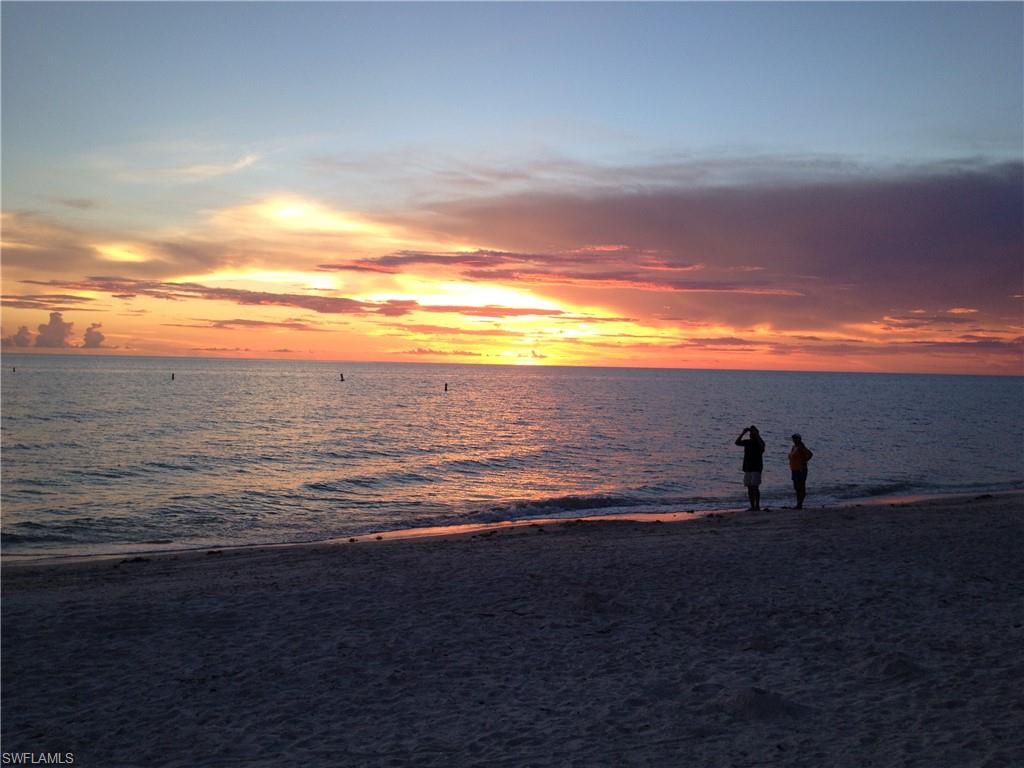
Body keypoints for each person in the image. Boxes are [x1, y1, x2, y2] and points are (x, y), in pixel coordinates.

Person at [735, 426, 765, 511]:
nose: (751, 434)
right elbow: (737, 442)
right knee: (749, 487)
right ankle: (752, 506)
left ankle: (757, 506)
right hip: (748, 467)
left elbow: (762, 447)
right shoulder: (747, 442)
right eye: (751, 433)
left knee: (755, 487)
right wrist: (743, 433)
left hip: (756, 468)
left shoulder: (759, 442)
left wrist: (757, 434)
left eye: (753, 433)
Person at [788, 434, 814, 509]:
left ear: (799, 439)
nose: (794, 440)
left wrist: (804, 461)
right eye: (793, 439)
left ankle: (800, 504)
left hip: (801, 469)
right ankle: (798, 503)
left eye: (795, 439)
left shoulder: (801, 447)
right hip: (794, 469)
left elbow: (810, 454)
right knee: (796, 487)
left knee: (801, 486)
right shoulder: (794, 447)